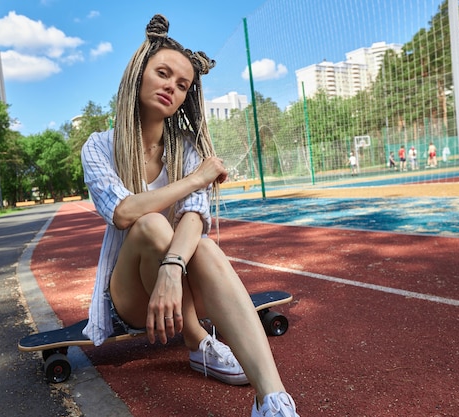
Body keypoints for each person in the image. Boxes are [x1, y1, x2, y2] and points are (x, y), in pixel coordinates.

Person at [80, 15, 299, 417]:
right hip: (131, 295)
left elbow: (195, 218)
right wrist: (195, 179)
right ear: (137, 75)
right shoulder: (99, 147)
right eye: (163, 74)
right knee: (150, 223)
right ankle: (197, 337)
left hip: (179, 283)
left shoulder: (186, 148)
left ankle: (272, 401)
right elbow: (125, 212)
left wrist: (171, 268)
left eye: (182, 85)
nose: (171, 87)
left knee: (207, 247)